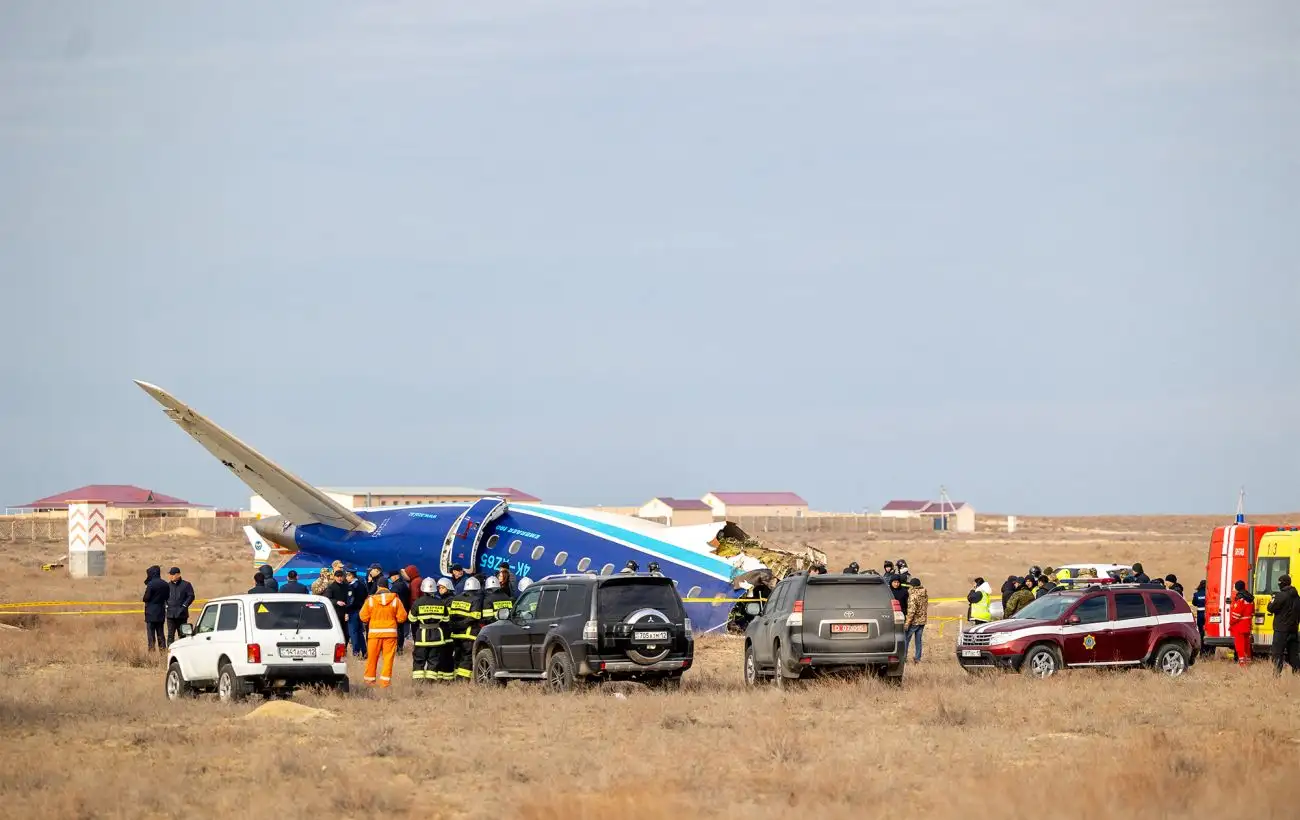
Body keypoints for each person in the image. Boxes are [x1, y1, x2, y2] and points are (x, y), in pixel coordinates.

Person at [358, 575, 407, 688]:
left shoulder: (370, 601)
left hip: (374, 635)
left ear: (378, 586)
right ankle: (385, 684)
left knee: (372, 659)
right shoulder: (396, 600)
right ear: (388, 586)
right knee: (388, 659)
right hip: (390, 635)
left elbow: (363, 617)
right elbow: (402, 617)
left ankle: (369, 682)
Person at [408, 577, 450, 683]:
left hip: (422, 636)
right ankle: (430, 682)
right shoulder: (440, 603)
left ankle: (418, 682)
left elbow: (411, 619)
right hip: (437, 636)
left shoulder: (417, 603)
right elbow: (446, 619)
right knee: (434, 659)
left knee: (419, 659)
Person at [447, 576, 484, 681]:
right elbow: (475, 616)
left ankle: (455, 676)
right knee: (467, 656)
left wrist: (457, 625)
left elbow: (451, 615)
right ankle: (462, 679)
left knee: (457, 656)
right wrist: (463, 624)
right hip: (468, 633)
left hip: (455, 633)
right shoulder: (476, 599)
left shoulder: (456, 598)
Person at [1267, 574, 1300, 675]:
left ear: (1282, 583)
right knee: (1294, 655)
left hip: (1281, 630)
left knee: (1277, 654)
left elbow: (1270, 608)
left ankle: (1276, 675)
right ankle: (1297, 675)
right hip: (1294, 630)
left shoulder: (1280, 595)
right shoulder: (1297, 597)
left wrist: (1271, 601)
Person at [164, 566, 195, 645]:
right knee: (170, 636)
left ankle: (183, 653)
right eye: (170, 574)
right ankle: (170, 654)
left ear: (178, 574)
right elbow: (163, 597)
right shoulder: (167, 586)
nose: (170, 576)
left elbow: (191, 596)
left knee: (182, 635)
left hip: (182, 615)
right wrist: (166, 606)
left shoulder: (186, 585)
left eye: (172, 574)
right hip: (170, 615)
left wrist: (184, 606)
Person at [142, 565, 170, 651]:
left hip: (151, 613)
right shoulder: (165, 584)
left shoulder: (151, 584)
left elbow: (146, 598)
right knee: (161, 634)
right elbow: (167, 597)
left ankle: (152, 653)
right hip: (161, 612)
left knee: (151, 635)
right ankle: (163, 652)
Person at [1228, 581, 1255, 667]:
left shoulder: (1240, 598)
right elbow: (1252, 612)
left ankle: (1242, 663)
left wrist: (1231, 622)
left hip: (1239, 625)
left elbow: (1236, 614)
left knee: (1239, 645)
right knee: (1247, 644)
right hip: (1247, 624)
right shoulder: (1250, 598)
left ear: (1237, 587)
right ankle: (1248, 660)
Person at [345, 568, 369, 658]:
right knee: (359, 632)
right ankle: (364, 651)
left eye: (347, 575)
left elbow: (350, 601)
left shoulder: (351, 587)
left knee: (353, 632)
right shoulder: (362, 585)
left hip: (353, 611)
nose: (346, 577)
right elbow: (366, 595)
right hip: (361, 610)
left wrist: (347, 611)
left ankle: (356, 650)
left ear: (351, 575)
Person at [324, 569, 351, 648]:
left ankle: (345, 646)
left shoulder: (346, 586)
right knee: (338, 629)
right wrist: (336, 602)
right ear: (334, 577)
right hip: (336, 611)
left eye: (341, 576)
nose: (339, 578)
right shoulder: (331, 587)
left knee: (346, 630)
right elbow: (328, 599)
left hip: (346, 610)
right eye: (338, 576)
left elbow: (350, 596)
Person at [387, 569, 411, 655]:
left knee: (397, 630)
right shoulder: (404, 584)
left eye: (391, 578)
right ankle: (400, 647)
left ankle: (397, 647)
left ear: (395, 576)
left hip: (397, 610)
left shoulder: (396, 586)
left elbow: (391, 598)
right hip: (404, 609)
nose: (391, 579)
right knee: (401, 629)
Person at [903, 577, 927, 661]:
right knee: (918, 640)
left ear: (912, 586)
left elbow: (911, 611)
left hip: (914, 622)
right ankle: (917, 658)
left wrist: (907, 623)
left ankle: (904, 657)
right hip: (922, 621)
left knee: (906, 639)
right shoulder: (924, 594)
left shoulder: (913, 596)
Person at [1192, 580, 1211, 656]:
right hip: (1208, 615)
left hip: (1200, 615)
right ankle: (1209, 651)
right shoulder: (1209, 593)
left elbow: (1194, 603)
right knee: (1208, 632)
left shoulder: (1196, 594)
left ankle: (1202, 651)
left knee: (1201, 633)